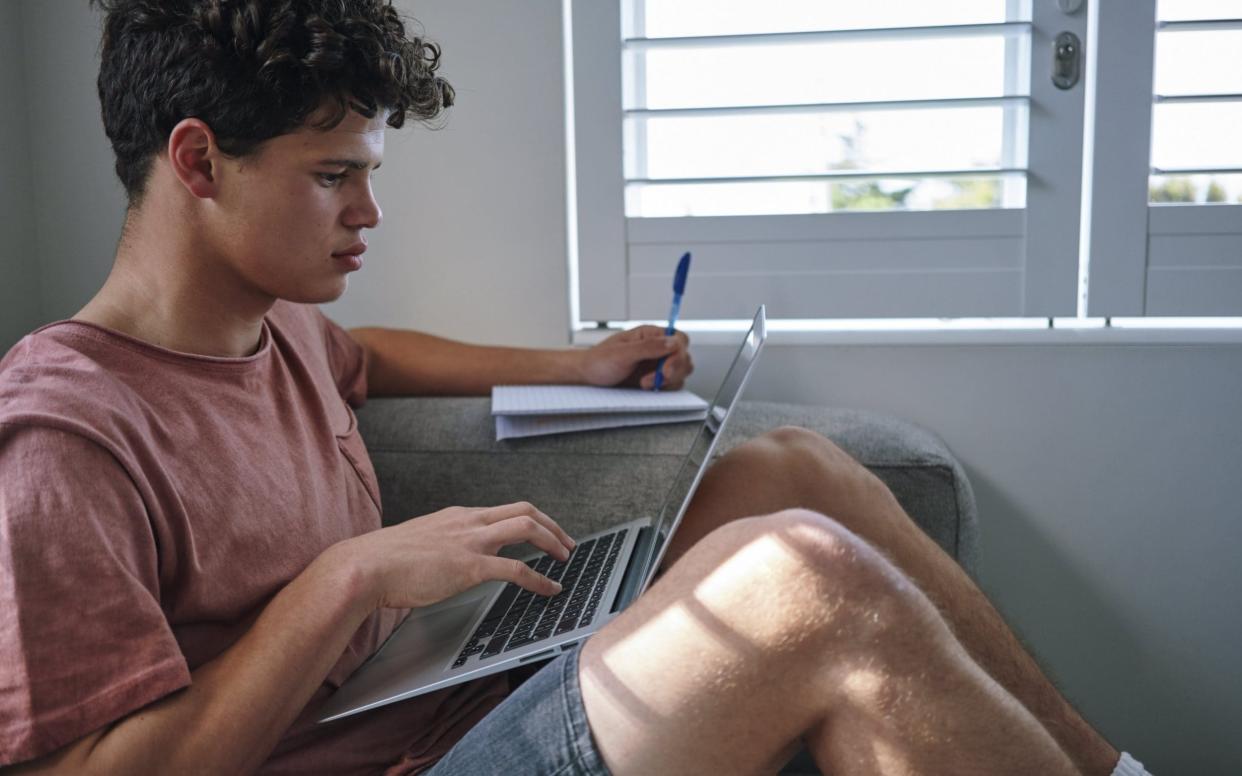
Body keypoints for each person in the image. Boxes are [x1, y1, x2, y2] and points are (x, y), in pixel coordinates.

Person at [0, 1, 1149, 774]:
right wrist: (343, 579)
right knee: (811, 579)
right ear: (198, 161)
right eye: (333, 175)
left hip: (465, 686)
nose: (369, 212)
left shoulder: (277, 327)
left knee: (792, 471)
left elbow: (375, 357)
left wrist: (575, 363)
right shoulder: (66, 435)